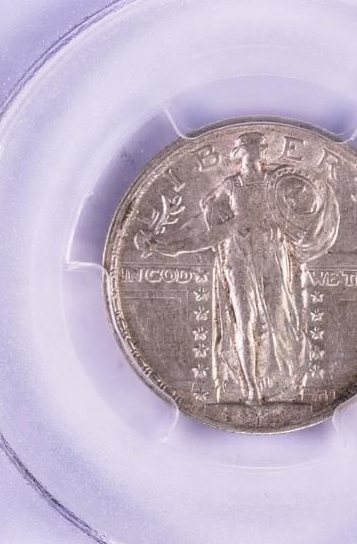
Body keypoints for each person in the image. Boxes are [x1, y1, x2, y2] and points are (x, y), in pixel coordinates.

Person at [137, 131, 339, 404]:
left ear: (262, 152)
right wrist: (161, 244)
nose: (252, 153)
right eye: (247, 148)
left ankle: (286, 381)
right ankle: (251, 386)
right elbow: (200, 230)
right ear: (239, 154)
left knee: (280, 319)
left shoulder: (275, 182)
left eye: (257, 148)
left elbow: (306, 198)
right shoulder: (230, 187)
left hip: (271, 255)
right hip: (238, 257)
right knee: (244, 322)